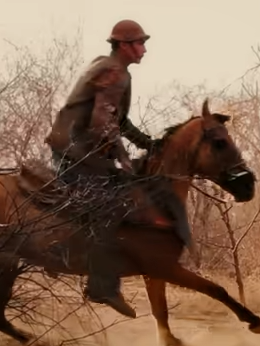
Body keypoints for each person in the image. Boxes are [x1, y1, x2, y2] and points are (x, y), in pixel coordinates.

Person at [44, 19, 191, 318]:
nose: (144, 49)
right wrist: (122, 158)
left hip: (79, 151)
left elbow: (119, 121)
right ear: (124, 46)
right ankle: (100, 285)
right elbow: (102, 119)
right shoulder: (114, 73)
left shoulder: (112, 69)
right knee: (110, 205)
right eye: (140, 43)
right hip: (75, 154)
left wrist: (148, 143)